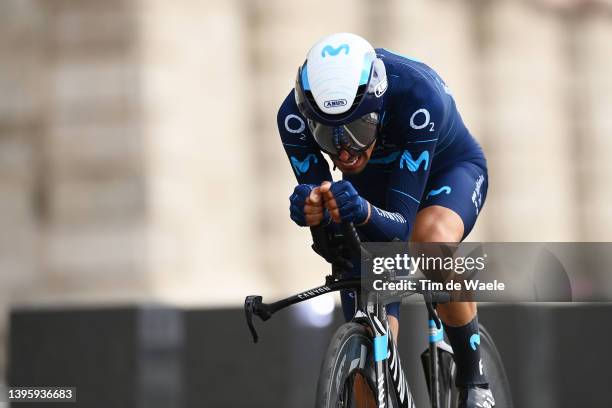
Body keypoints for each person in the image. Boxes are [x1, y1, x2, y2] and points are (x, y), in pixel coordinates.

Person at [277, 32, 493, 408]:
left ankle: (475, 382)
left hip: (446, 174)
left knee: (428, 242)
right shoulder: (293, 117)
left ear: (378, 108)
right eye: (328, 135)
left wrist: (359, 210)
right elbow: (333, 239)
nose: (344, 151)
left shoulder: (417, 96)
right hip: (369, 195)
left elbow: (400, 229)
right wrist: (312, 213)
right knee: (368, 327)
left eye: (358, 130)